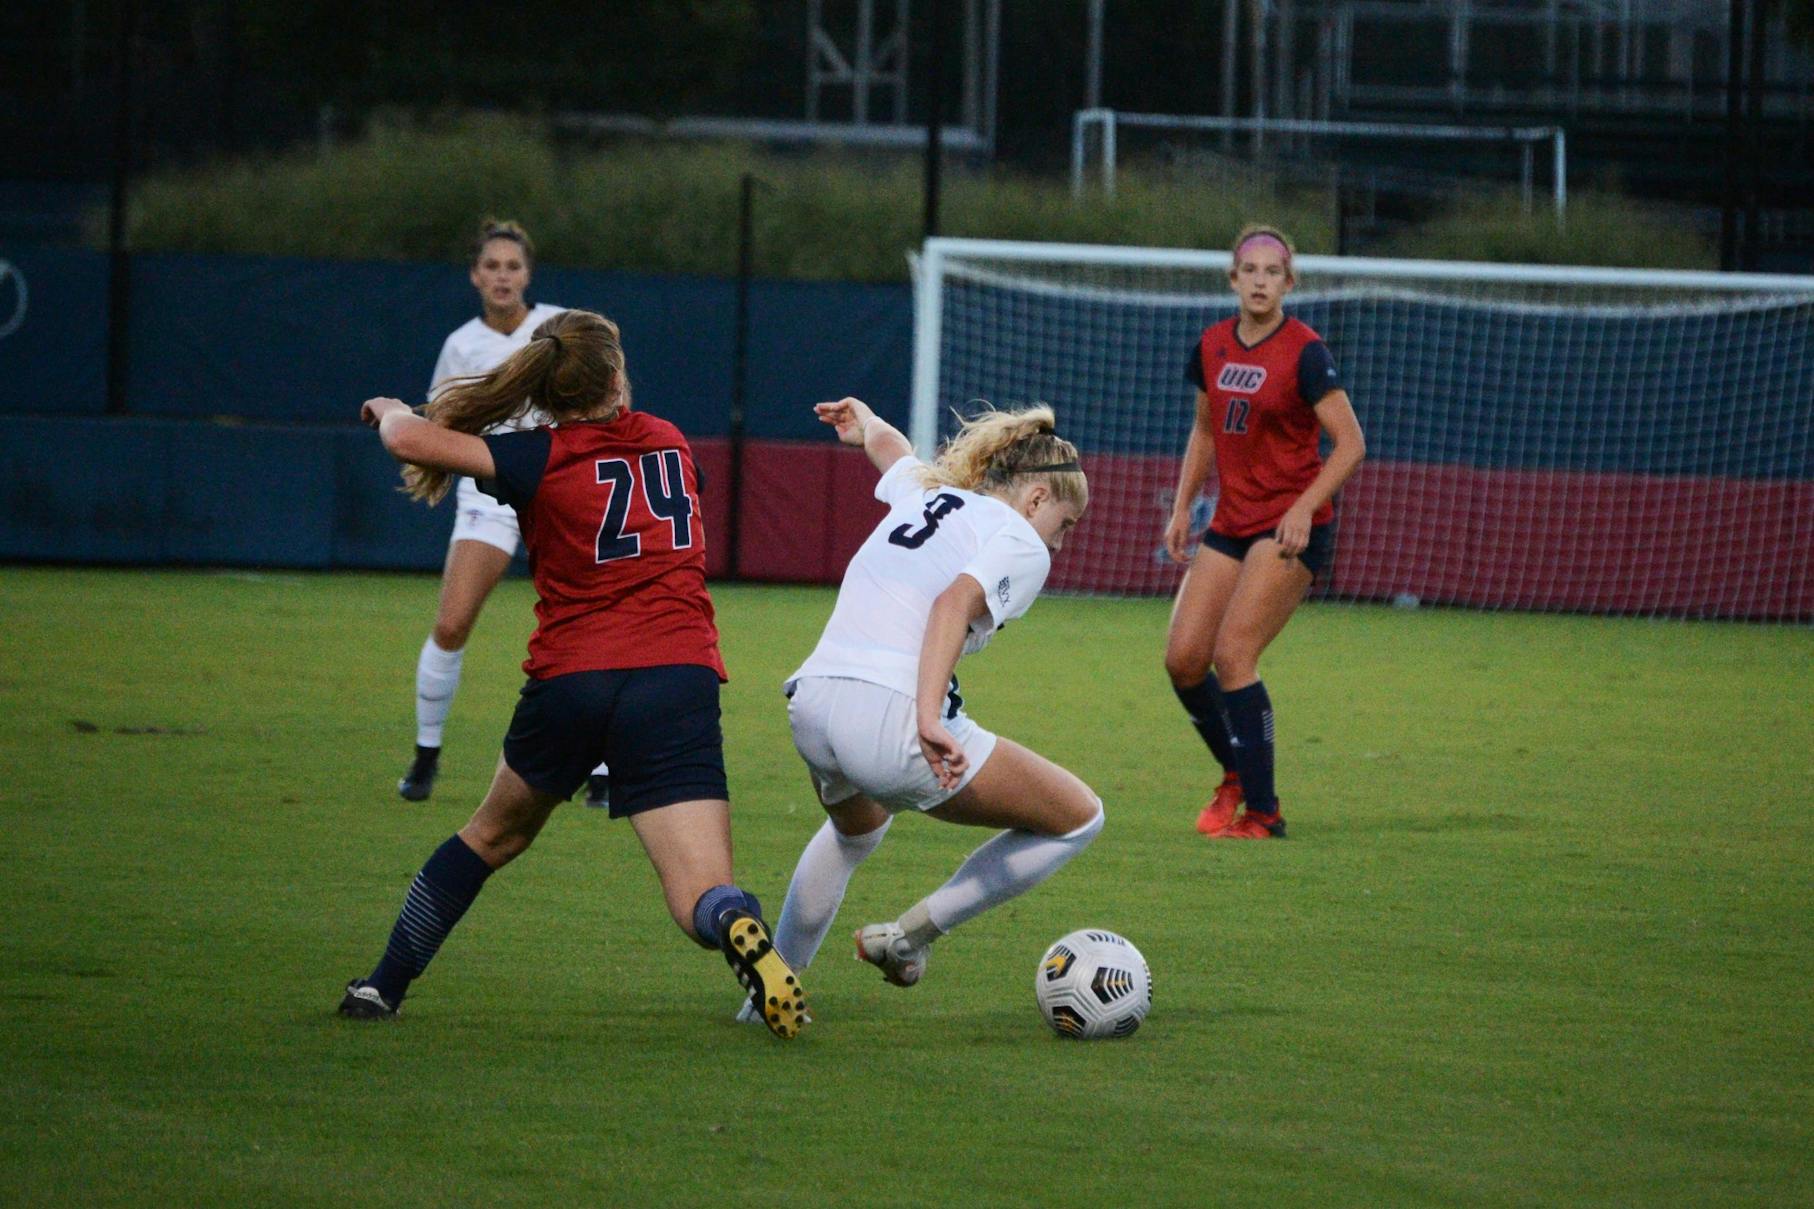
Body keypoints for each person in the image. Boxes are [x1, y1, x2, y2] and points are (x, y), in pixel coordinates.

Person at [340, 309, 806, 1040]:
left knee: (490, 836)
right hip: (676, 679)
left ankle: (381, 986)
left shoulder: (536, 455)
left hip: (574, 680)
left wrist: (393, 408)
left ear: (544, 388)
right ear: (616, 379)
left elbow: (406, 438)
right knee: (699, 892)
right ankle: (736, 921)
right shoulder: (672, 442)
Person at [742, 395, 1102, 1007]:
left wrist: (869, 426)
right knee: (1079, 818)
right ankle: (907, 940)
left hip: (813, 701)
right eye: (1064, 525)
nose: (1060, 544)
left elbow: (897, 458)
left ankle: (767, 995)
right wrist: (928, 716)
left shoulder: (932, 496)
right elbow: (953, 605)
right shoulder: (1020, 538)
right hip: (888, 718)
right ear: (1036, 498)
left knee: (855, 830)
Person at [1163, 224, 1366, 839]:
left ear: (1288, 282)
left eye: (1271, 272)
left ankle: (1265, 814)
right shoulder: (1211, 345)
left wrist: (1304, 507)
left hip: (1287, 528)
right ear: (1233, 279)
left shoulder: (1305, 351)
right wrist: (1181, 507)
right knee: (1183, 660)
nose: (1259, 280)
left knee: (1233, 657)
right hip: (1230, 521)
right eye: (1248, 270)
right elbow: (1204, 431)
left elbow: (1351, 443)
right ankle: (1237, 773)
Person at [398, 218, 609, 811]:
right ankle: (426, 754)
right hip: (491, 494)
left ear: (528, 274)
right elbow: (438, 423)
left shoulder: (561, 328)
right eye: (491, 265)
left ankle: (600, 769)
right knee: (451, 623)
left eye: (512, 266)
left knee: (590, 619)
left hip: (563, 489)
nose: (502, 275)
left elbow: (607, 395)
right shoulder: (462, 344)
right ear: (474, 274)